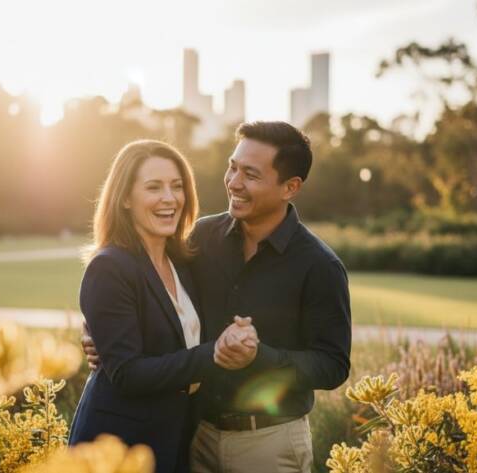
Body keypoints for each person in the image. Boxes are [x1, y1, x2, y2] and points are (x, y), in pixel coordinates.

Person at [83, 122, 352, 473]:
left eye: (250, 175)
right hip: (194, 436)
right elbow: (141, 291)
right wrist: (98, 333)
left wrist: (260, 357)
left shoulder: (319, 265)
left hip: (268, 444)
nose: (234, 182)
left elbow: (333, 366)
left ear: (290, 187)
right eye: (233, 167)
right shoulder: (199, 239)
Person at [69, 139, 257, 473]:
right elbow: (128, 373)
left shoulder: (183, 262)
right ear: (125, 198)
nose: (169, 199)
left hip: (174, 438)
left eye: (177, 186)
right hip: (117, 446)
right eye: (154, 187)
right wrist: (215, 354)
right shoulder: (110, 267)